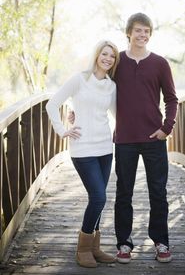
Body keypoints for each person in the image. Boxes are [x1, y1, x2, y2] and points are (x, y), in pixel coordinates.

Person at [46, 41, 120, 268]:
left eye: (112, 56)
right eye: (104, 54)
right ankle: (83, 248)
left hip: (105, 148)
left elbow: (119, 115)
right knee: (99, 197)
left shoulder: (111, 86)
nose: (107, 58)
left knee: (98, 199)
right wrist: (62, 130)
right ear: (97, 55)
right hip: (82, 148)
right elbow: (52, 104)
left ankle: (95, 248)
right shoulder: (80, 79)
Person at [114, 12, 178, 264]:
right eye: (138, 30)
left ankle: (161, 242)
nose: (142, 35)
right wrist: (78, 111)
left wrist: (167, 127)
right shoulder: (116, 61)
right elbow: (96, 85)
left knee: (158, 192)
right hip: (125, 139)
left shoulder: (160, 63)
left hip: (155, 138)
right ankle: (123, 243)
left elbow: (172, 99)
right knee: (123, 193)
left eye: (147, 31)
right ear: (129, 32)